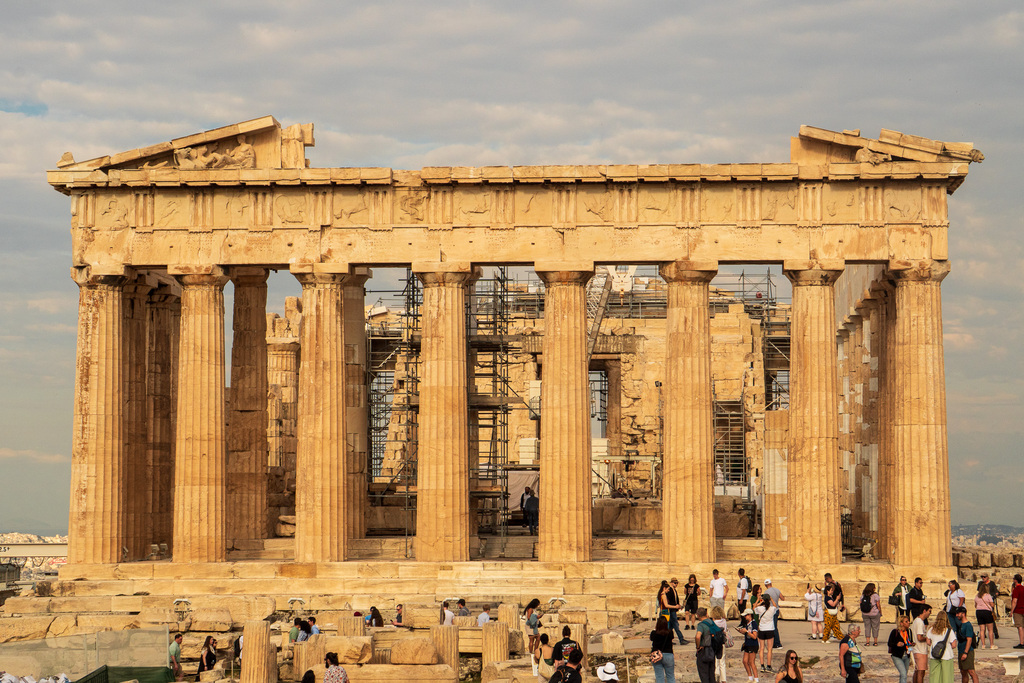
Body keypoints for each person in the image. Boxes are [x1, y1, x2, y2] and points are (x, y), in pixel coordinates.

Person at [926, 609, 958, 683]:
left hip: (934, 654)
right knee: (947, 677)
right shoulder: (948, 631)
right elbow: (954, 645)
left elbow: (928, 642)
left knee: (934, 677)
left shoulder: (931, 629)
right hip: (946, 655)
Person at [696, 607, 722, 683]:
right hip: (712, 650)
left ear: (698, 615)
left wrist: (698, 647)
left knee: (704, 675)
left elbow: (698, 636)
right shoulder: (712, 622)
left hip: (704, 651)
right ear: (706, 614)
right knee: (711, 674)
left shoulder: (701, 625)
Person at [755, 592, 778, 674]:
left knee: (761, 648)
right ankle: (768, 666)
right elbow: (776, 606)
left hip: (761, 629)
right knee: (769, 649)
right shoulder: (771, 608)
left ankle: (762, 665)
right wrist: (772, 599)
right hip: (770, 629)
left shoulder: (760, 609)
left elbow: (754, 607)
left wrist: (758, 600)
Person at [954, 607, 978, 683]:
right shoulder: (960, 624)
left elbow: (969, 639)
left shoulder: (968, 625)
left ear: (963, 614)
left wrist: (965, 652)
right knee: (963, 672)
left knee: (971, 671)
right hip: (961, 650)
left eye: (958, 613)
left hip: (967, 651)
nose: (957, 615)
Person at [887, 615, 914, 683]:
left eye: (908, 621)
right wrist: (896, 644)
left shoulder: (909, 631)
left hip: (906, 655)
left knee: (904, 675)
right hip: (897, 656)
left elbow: (909, 642)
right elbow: (889, 643)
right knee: (903, 673)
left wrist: (911, 645)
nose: (908, 623)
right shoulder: (895, 632)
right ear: (901, 623)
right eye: (906, 621)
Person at [650, 615, 676, 683]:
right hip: (668, 655)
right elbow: (672, 638)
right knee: (670, 676)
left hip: (657, 655)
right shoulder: (670, 632)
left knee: (659, 677)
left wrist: (655, 629)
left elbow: (651, 638)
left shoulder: (654, 633)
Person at [911, 603, 933, 683]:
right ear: (924, 611)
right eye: (929, 611)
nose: (930, 613)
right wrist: (928, 638)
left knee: (917, 671)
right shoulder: (920, 622)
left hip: (916, 649)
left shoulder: (916, 620)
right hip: (920, 650)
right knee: (921, 672)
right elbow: (919, 638)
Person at [738, 608, 759, 683]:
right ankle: (750, 677)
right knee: (745, 661)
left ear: (749, 615)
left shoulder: (754, 624)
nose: (745, 617)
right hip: (747, 644)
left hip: (752, 644)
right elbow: (747, 634)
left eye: (746, 615)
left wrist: (746, 631)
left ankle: (756, 679)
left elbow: (754, 636)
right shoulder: (748, 623)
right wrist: (741, 631)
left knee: (751, 662)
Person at [822, 573, 845, 644]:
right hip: (829, 614)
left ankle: (842, 638)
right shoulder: (827, 597)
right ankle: (825, 639)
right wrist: (838, 599)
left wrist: (839, 602)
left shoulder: (831, 595)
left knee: (836, 626)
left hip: (833, 613)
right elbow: (832, 604)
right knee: (828, 627)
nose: (832, 591)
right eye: (831, 590)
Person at [665, 578, 688, 644]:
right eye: (675, 583)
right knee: (675, 625)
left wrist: (678, 606)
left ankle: (668, 640)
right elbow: (669, 601)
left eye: (677, 583)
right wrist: (675, 606)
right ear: (671, 583)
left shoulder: (674, 590)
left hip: (674, 610)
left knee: (671, 627)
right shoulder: (669, 590)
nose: (676, 584)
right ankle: (681, 639)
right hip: (671, 610)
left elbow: (675, 600)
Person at [711, 605, 731, 683]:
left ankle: (717, 677)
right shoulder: (724, 621)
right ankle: (724, 679)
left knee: (716, 662)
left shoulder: (713, 623)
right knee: (722, 662)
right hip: (722, 642)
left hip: (715, 643)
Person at [763, 579, 784, 649]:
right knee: (774, 626)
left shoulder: (766, 592)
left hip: (771, 610)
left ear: (765, 585)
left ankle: (777, 643)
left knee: (773, 627)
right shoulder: (777, 590)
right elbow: (782, 598)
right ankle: (774, 642)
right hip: (776, 609)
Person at [1011, 573, 1024, 649]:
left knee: (1020, 627)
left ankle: (1021, 642)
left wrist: (1012, 611)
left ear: (1015, 580)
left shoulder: (1016, 589)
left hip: (1018, 610)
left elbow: (1014, 601)